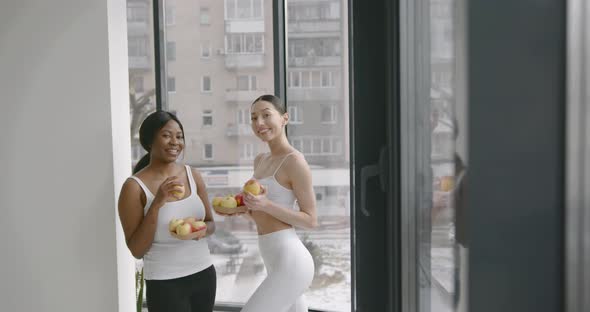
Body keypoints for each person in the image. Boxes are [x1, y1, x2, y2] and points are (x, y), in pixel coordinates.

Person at [118, 111, 217, 312]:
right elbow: (137, 250)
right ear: (149, 141)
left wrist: (199, 231)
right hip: (165, 282)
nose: (175, 142)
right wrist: (157, 203)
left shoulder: (193, 175)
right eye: (166, 135)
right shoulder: (134, 187)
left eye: (179, 136)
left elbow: (210, 223)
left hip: (204, 273)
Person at [231, 94, 317, 312]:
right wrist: (244, 209)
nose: (259, 123)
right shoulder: (260, 160)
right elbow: (262, 212)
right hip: (272, 256)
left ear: (284, 118)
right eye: (253, 118)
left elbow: (310, 220)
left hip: (292, 260)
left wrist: (265, 205)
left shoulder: (294, 161)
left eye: (266, 115)